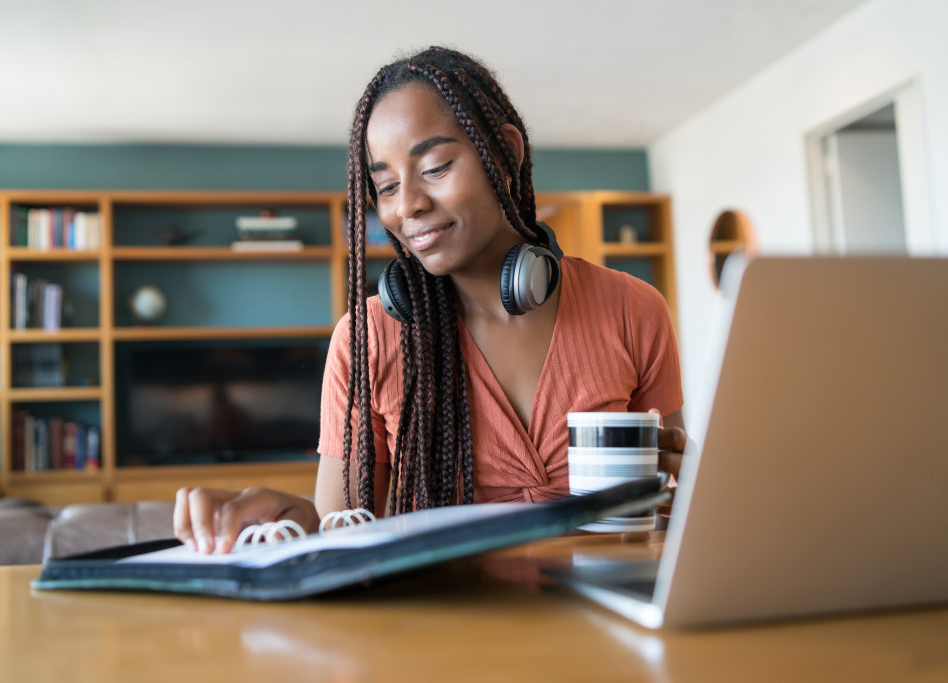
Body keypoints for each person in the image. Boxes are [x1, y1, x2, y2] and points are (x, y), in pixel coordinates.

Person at [174, 46, 686, 554]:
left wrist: (680, 493)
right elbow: (345, 544)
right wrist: (297, 527)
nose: (408, 206)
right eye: (387, 186)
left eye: (436, 168)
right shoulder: (367, 339)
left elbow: (675, 521)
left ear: (504, 154)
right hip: (448, 628)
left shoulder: (633, 309)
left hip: (610, 620)